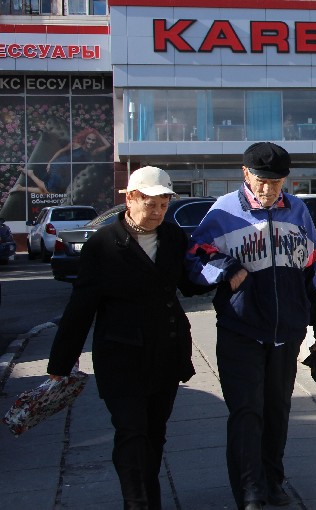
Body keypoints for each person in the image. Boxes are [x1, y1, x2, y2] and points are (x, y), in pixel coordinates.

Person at [47, 166, 211, 510]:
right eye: (150, 203)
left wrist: (225, 273)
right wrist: (61, 363)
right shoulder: (103, 246)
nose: (157, 212)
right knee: (131, 433)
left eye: (164, 204)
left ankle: (147, 496)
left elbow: (188, 284)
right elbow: (81, 306)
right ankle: (137, 503)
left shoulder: (173, 238)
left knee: (154, 435)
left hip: (166, 354)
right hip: (121, 359)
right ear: (130, 198)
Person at [185, 142, 316, 510]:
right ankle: (250, 490)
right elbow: (193, 261)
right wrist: (225, 270)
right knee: (247, 411)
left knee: (277, 410)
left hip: (287, 331)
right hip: (241, 329)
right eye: (262, 180)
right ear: (245, 174)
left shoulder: (298, 212)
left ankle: (273, 480)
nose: (268, 189)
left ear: (287, 179)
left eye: (277, 181)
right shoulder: (223, 212)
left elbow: (311, 270)